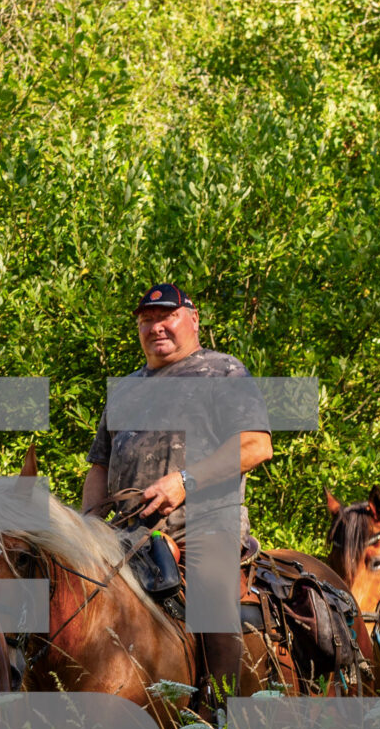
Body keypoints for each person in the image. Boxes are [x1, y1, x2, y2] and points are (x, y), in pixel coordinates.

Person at [80, 283, 271, 689]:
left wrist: (185, 482)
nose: (156, 327)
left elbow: (256, 445)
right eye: (146, 320)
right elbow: (99, 466)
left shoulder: (223, 371)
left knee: (212, 603)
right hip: (126, 534)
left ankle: (220, 712)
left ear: (193, 319)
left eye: (167, 316)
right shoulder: (126, 388)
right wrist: (87, 524)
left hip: (205, 527)